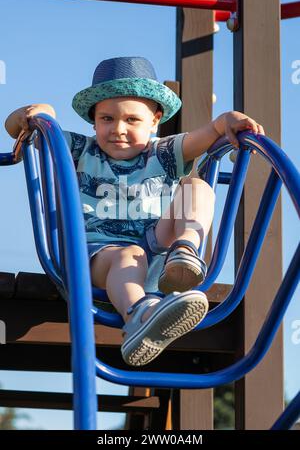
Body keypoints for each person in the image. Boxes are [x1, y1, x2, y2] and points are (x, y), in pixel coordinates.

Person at [4, 56, 265, 367]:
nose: (118, 129)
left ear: (155, 120)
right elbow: (16, 127)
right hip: (97, 258)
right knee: (128, 254)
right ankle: (140, 316)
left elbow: (209, 133)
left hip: (159, 258)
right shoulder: (79, 150)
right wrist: (41, 113)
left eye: (132, 120)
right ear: (93, 121)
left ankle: (185, 251)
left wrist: (229, 120)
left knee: (196, 188)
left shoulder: (163, 153)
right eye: (107, 119)